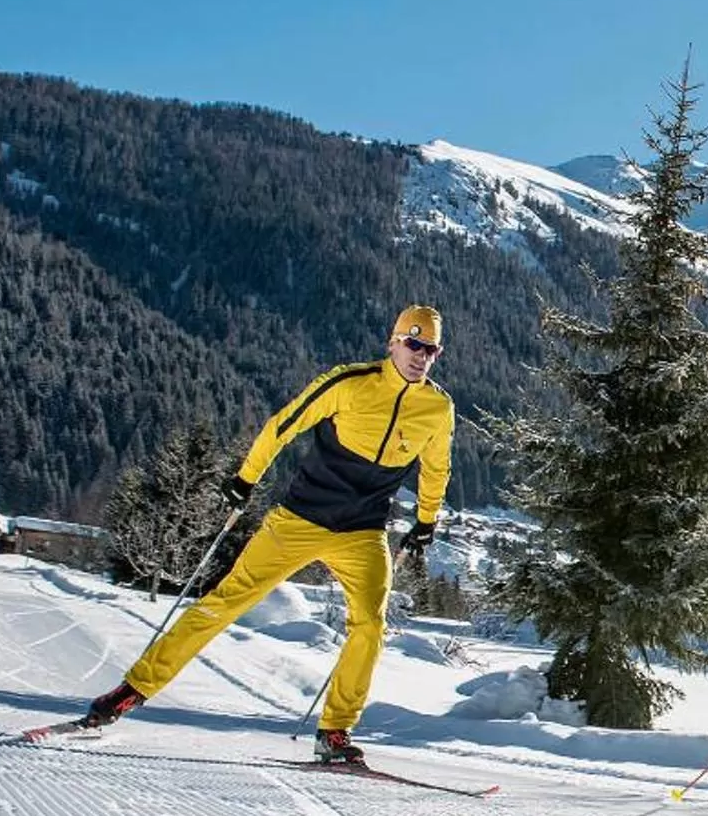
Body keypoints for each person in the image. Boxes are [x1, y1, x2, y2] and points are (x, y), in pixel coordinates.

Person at [73, 304, 455, 762]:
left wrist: (426, 521)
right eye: (412, 344)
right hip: (299, 519)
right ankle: (132, 690)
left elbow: (436, 467)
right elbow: (283, 425)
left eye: (429, 349)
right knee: (223, 602)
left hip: (362, 531)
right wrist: (244, 479)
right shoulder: (349, 383)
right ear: (392, 343)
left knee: (370, 625)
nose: (420, 356)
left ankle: (335, 732)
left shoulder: (437, 408)